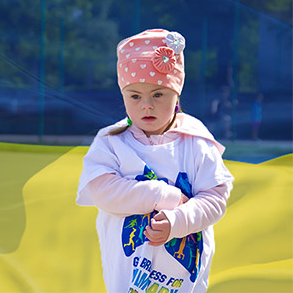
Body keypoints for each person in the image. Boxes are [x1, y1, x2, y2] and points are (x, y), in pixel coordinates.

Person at [77, 29, 234, 292]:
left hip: (182, 279)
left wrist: (178, 222)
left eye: (158, 94)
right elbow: (102, 191)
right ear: (123, 96)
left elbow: (215, 198)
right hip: (126, 279)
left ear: (177, 94)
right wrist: (161, 194)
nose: (146, 105)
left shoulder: (196, 142)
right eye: (135, 96)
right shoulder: (111, 142)